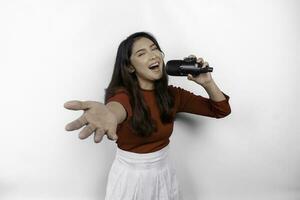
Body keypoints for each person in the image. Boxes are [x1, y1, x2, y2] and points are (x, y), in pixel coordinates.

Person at [64, 31, 231, 200]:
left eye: (154, 49)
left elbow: (221, 109)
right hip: (130, 179)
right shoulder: (122, 96)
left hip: (165, 173)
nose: (153, 56)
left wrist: (207, 82)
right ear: (130, 66)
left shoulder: (173, 95)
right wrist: (110, 114)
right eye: (141, 53)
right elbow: (117, 107)